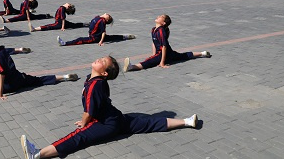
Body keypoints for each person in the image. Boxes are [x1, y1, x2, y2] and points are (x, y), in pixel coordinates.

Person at [20, 56, 199, 158]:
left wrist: (84, 122)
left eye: (102, 61)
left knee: (77, 137)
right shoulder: (94, 80)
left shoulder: (94, 85)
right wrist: (87, 118)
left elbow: (88, 111)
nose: (99, 59)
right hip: (116, 118)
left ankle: (37, 155)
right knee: (148, 123)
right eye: (101, 58)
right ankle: (187, 121)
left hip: (106, 123)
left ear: (104, 72)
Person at [123, 14, 211, 72]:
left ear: (163, 23)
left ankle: (131, 67)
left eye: (161, 16)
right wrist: (153, 55)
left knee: (148, 62)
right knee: (183, 56)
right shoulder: (153, 29)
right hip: (167, 53)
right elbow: (154, 43)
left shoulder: (161, 31)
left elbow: (164, 47)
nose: (158, 16)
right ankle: (202, 53)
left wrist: (162, 62)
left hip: (164, 53)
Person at [57, 13, 135, 46]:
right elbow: (91, 26)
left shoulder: (102, 21)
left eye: (108, 15)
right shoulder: (98, 17)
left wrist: (100, 42)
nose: (106, 13)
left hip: (95, 38)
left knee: (80, 40)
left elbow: (103, 32)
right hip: (93, 35)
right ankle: (125, 37)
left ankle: (65, 43)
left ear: (107, 19)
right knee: (112, 37)